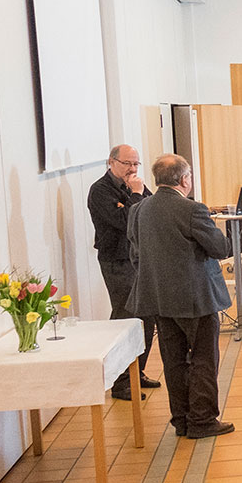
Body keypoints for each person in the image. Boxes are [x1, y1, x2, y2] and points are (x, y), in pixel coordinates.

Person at [126, 154, 232, 439]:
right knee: (203, 359)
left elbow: (135, 255)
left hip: (159, 299)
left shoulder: (138, 210)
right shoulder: (192, 210)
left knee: (173, 361)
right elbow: (220, 248)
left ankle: (182, 420)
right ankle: (203, 420)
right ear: (184, 179)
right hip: (196, 299)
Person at [87, 144, 158, 401]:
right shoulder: (100, 190)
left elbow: (151, 210)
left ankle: (137, 373)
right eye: (127, 163)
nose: (132, 168)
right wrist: (136, 195)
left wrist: (136, 194)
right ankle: (120, 382)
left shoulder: (135, 185)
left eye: (136, 163)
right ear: (112, 162)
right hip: (116, 261)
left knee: (147, 316)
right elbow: (125, 220)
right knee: (126, 316)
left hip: (139, 258)